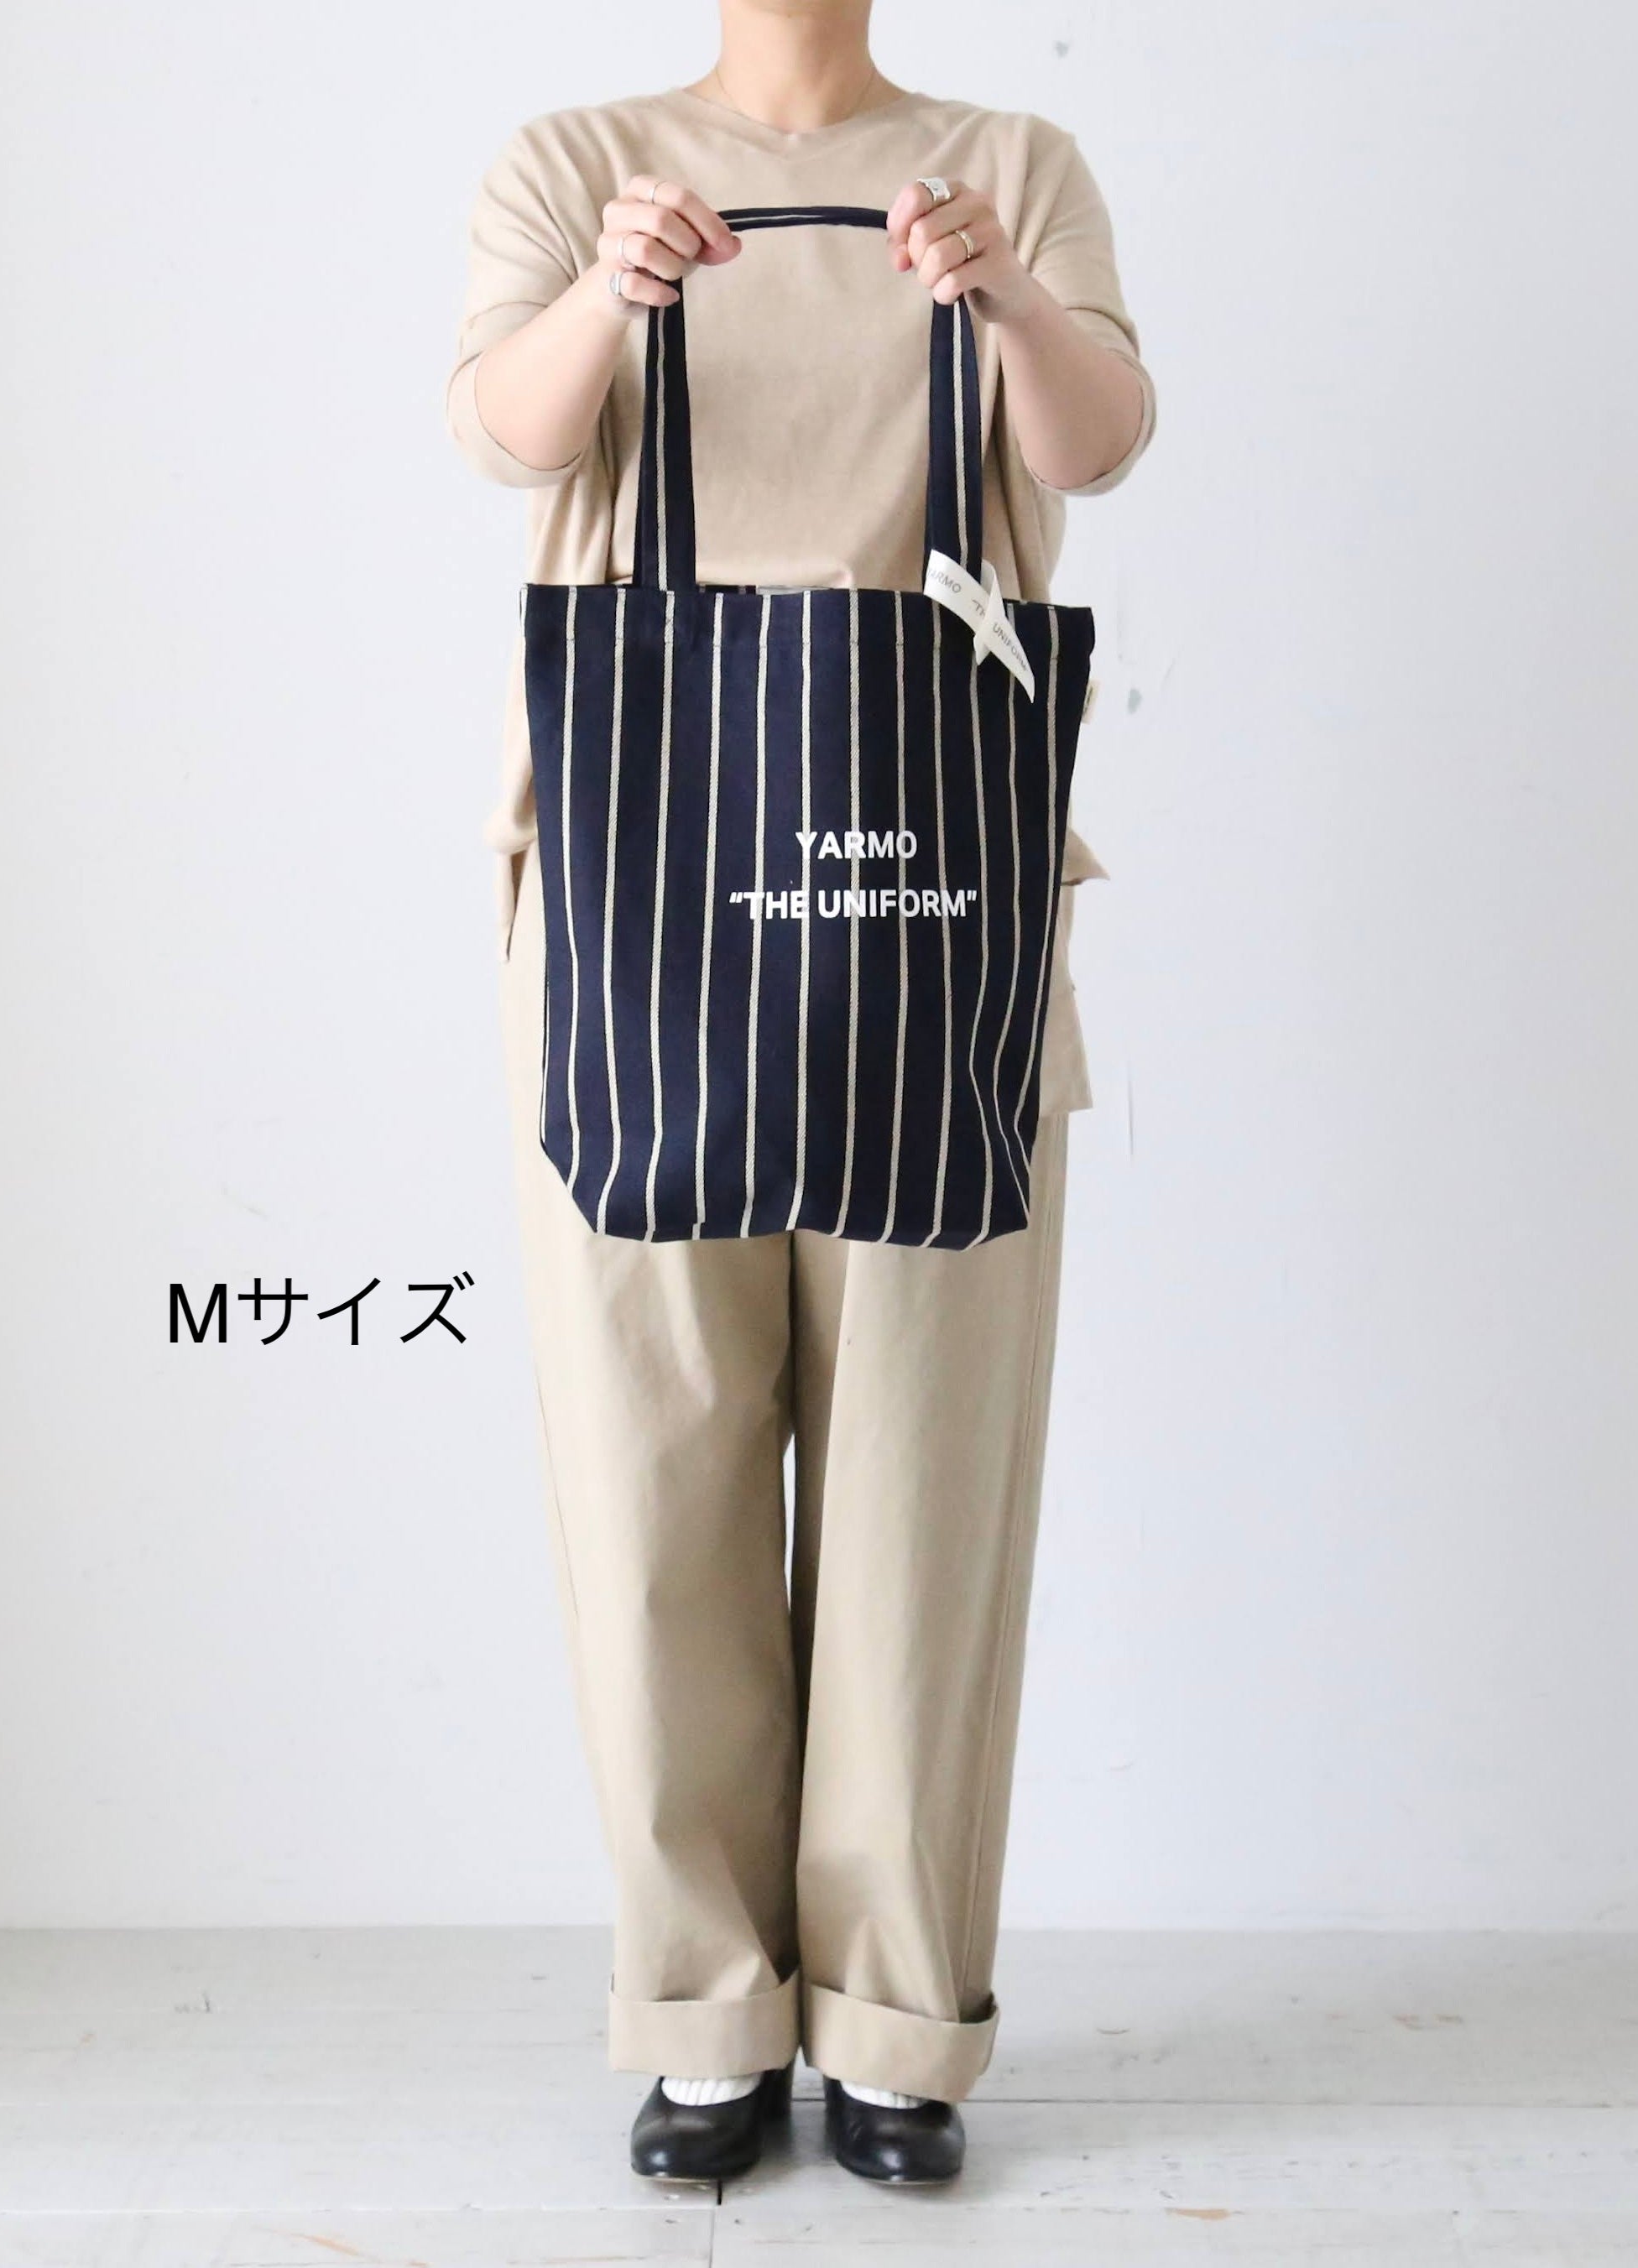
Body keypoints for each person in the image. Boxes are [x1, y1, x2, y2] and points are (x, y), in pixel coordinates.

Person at [444, 0, 1155, 2189]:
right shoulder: (575, 158)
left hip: (930, 907)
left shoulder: (1006, 162)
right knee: (648, 1469)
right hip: (638, 906)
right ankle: (705, 2014)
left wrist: (998, 296)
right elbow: (503, 432)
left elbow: (1099, 445)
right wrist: (614, 293)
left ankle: (898, 2025)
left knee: (924, 1484)